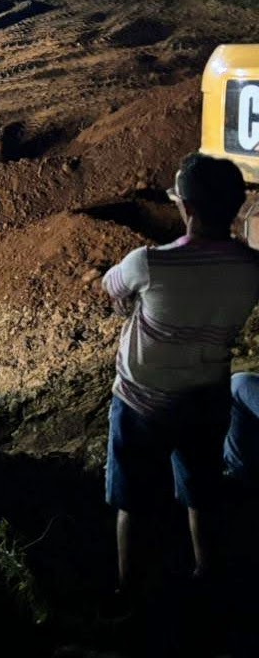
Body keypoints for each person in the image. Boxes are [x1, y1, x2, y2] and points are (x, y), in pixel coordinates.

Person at [102, 153, 259, 591]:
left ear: (186, 208)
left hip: (142, 401)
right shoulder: (251, 269)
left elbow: (111, 287)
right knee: (203, 492)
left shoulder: (150, 263)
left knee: (133, 502)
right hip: (207, 398)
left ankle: (132, 591)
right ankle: (208, 574)